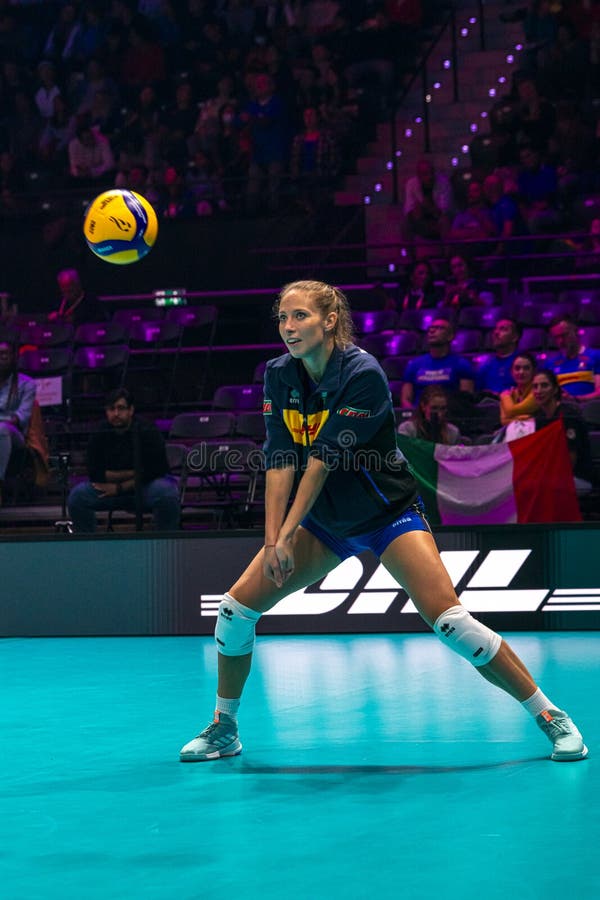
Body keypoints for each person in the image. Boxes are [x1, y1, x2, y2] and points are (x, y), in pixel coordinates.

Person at [179, 279, 587, 763]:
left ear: (330, 320)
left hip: (387, 514)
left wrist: (286, 534)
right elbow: (281, 458)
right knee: (233, 611)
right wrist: (273, 541)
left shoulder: (362, 373)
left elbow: (323, 459)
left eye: (301, 316)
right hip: (327, 524)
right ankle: (224, 727)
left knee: (453, 624)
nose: (288, 328)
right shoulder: (278, 375)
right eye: (283, 318)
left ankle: (550, 716)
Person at [68, 388, 180, 532]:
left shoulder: (147, 430)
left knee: (167, 493)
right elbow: (95, 473)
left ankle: (165, 546)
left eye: (121, 408)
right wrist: (133, 473)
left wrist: (120, 487)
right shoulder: (100, 432)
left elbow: (155, 470)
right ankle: (88, 547)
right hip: (109, 489)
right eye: (111, 409)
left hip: (144, 487)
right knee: (77, 497)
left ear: (131, 410)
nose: (116, 414)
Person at [532, 369, 594, 493]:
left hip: (577, 478)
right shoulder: (538, 417)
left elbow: (570, 462)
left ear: (555, 389)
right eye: (535, 386)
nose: (539, 391)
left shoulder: (568, 416)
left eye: (544, 385)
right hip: (550, 475)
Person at [400, 317, 475, 409]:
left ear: (450, 336)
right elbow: (406, 399)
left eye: (439, 328)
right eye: (431, 328)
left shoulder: (462, 364)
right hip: (419, 417)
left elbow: (466, 401)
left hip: (450, 416)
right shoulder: (414, 365)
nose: (432, 331)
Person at [0, 339, 36, 505]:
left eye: (5, 354)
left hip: (16, 436)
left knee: (2, 429)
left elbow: (21, 417)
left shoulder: (26, 383)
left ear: (14, 357)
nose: (2, 358)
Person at [547, 315, 600, 402]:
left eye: (564, 335)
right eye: (556, 337)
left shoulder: (596, 356)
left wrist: (576, 399)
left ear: (576, 331)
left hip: (589, 410)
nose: (561, 341)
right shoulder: (550, 364)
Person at [397, 385, 462, 444]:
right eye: (434, 408)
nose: (439, 414)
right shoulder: (407, 429)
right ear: (423, 406)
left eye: (443, 408)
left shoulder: (453, 432)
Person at [475, 318, 522, 396]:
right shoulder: (486, 364)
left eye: (503, 329)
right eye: (496, 329)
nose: (496, 333)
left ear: (515, 337)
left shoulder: (523, 363)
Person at [499, 351, 538, 425]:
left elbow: (511, 411)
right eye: (517, 368)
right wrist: (524, 418)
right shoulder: (512, 393)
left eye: (526, 368)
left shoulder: (538, 391)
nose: (521, 372)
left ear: (534, 371)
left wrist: (505, 397)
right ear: (511, 372)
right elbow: (503, 421)